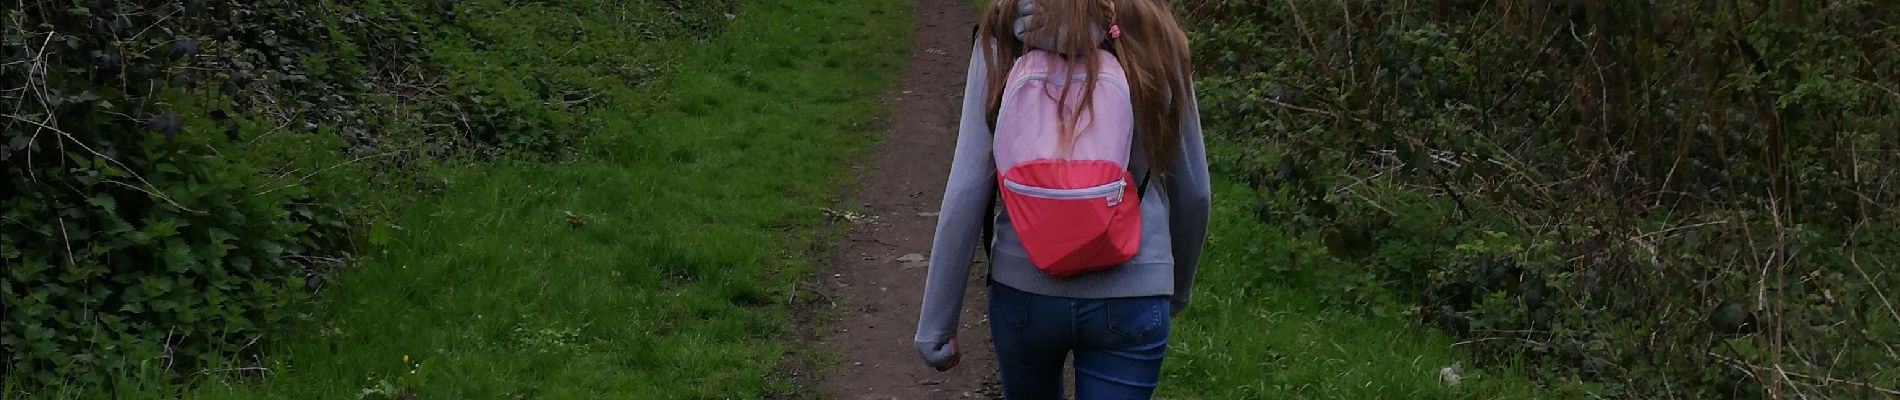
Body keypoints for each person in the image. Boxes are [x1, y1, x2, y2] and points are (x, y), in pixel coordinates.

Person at [912, 0, 1211, 398]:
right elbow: (1193, 190)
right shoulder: (1157, 35)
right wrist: (1176, 287)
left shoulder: (1004, 35)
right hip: (1132, 291)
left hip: (1025, 288)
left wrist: (937, 325)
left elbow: (968, 185)